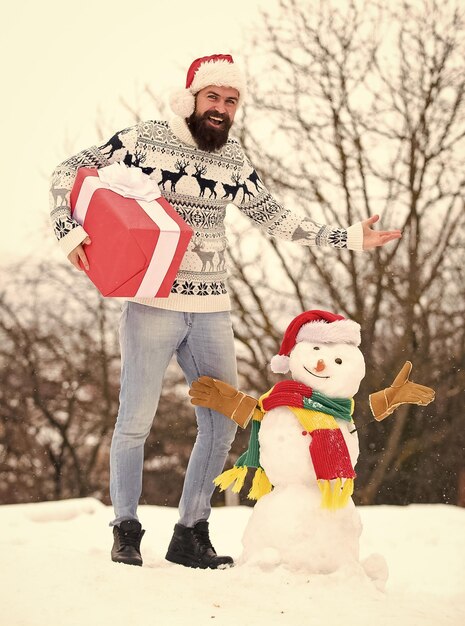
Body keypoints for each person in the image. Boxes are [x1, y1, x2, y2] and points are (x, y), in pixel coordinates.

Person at [49, 54, 401, 570]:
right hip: (152, 303)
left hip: (212, 308)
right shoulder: (144, 140)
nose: (221, 108)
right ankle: (126, 528)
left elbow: (273, 215)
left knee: (220, 424)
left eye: (231, 101)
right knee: (135, 423)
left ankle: (191, 531)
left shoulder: (232, 157)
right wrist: (68, 229)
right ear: (191, 97)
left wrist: (347, 236)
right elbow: (68, 171)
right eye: (213, 97)